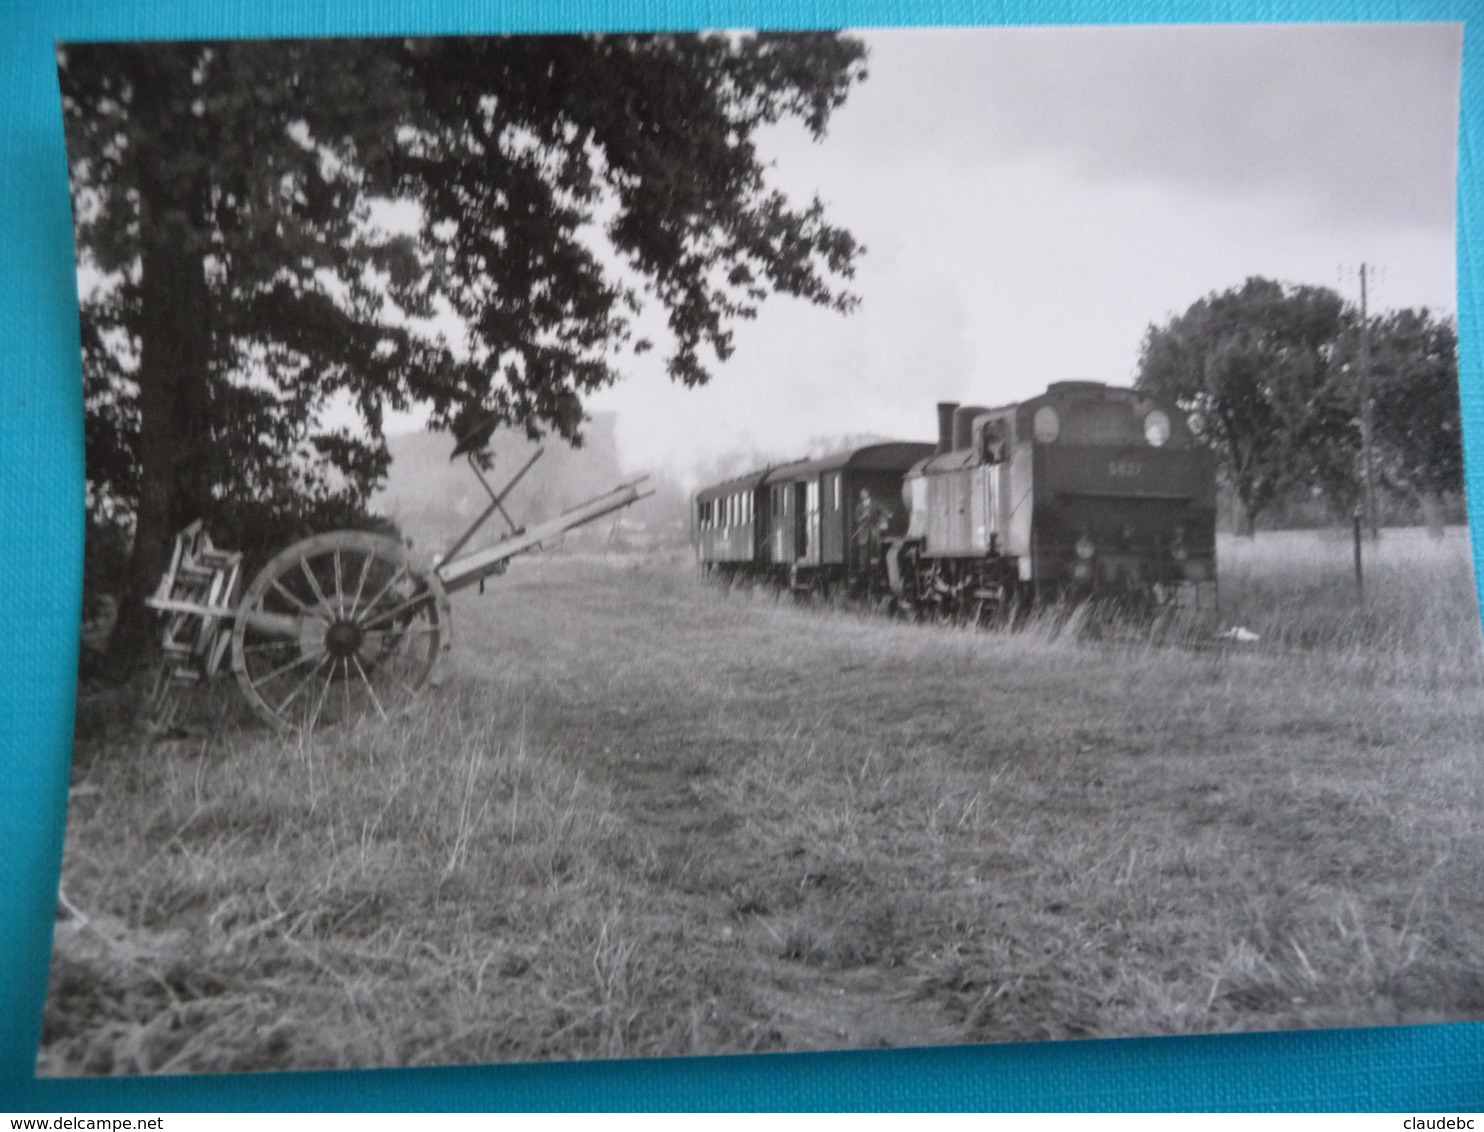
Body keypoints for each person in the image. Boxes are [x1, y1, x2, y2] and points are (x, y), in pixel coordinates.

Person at [853, 489, 891, 559]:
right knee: (863, 551)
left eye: (864, 493)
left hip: (874, 528)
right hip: (863, 531)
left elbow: (882, 509)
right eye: (861, 494)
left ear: (868, 493)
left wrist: (888, 514)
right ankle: (863, 568)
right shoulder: (859, 506)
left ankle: (876, 563)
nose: (862, 495)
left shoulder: (874, 503)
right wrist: (862, 517)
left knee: (876, 545)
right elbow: (857, 519)